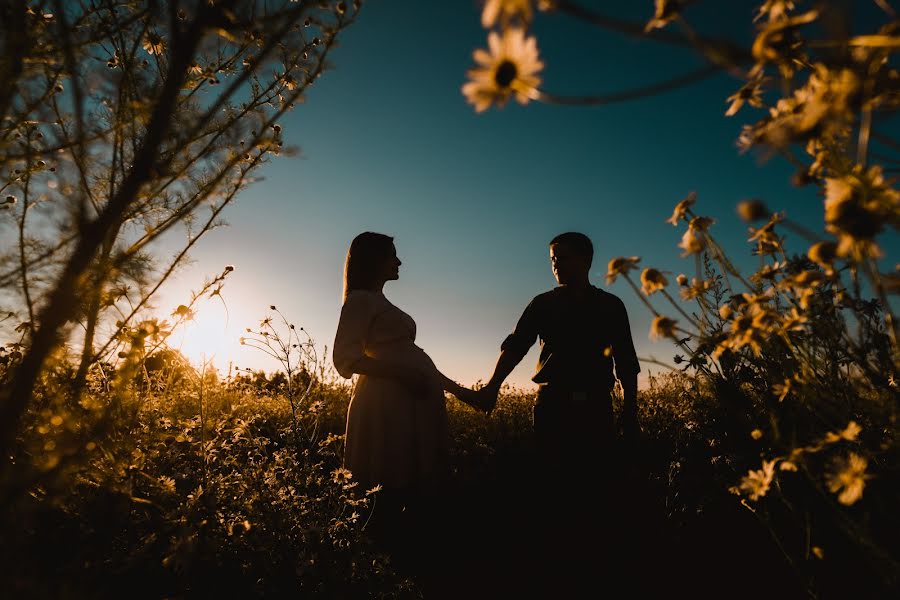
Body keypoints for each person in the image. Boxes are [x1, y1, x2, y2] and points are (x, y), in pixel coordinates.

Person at [466, 231, 643, 592]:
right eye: (552, 259)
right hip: (553, 409)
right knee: (554, 486)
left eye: (562, 258)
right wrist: (493, 386)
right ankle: (555, 566)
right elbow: (516, 346)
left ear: (586, 260)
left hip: (596, 409)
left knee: (596, 488)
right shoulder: (543, 304)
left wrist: (630, 412)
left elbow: (626, 361)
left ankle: (598, 567)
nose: (555, 265)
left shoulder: (611, 306)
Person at [332, 231, 475, 575]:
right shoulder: (360, 300)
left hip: (409, 404)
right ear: (374, 259)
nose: (399, 262)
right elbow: (345, 360)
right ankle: (383, 565)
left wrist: (463, 392)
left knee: (413, 481)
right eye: (392, 255)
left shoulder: (381, 304)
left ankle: (410, 560)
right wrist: (402, 375)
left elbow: (417, 362)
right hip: (385, 404)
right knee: (387, 479)